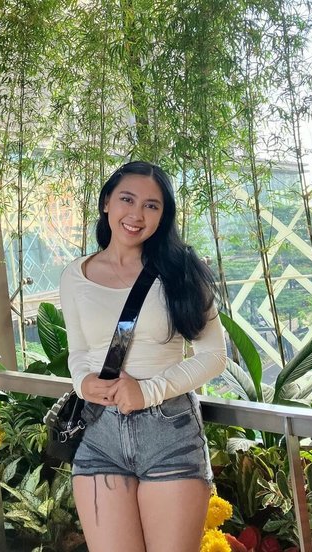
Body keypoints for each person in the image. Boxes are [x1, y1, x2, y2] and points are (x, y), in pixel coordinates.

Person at [59, 161, 227, 552]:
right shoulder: (75, 275)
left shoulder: (182, 271)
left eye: (151, 205)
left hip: (169, 432)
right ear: (106, 202)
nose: (136, 214)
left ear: (163, 215)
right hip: (99, 434)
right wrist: (83, 381)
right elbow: (79, 351)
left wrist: (148, 391)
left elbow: (214, 355)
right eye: (127, 199)